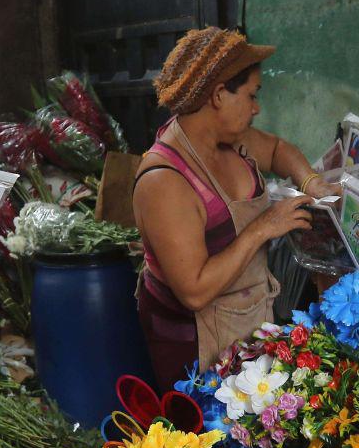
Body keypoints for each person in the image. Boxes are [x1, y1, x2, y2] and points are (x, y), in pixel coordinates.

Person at [133, 27, 339, 391]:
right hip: (194, 343)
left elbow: (277, 150)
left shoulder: (230, 139)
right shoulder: (164, 182)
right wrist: (263, 227)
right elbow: (194, 291)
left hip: (249, 319)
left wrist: (311, 182)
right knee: (210, 424)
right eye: (251, 95)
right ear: (218, 95)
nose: (256, 108)